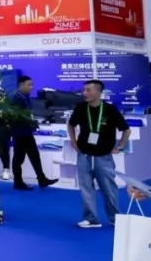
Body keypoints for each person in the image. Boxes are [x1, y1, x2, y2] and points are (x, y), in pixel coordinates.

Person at [68, 79, 130, 228]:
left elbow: (126, 130)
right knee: (86, 188)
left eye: (88, 90)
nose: (85, 93)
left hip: (103, 157)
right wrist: (73, 141)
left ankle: (115, 219)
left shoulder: (110, 110)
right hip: (84, 155)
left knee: (108, 189)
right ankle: (91, 219)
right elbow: (71, 124)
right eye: (84, 90)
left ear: (98, 92)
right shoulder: (81, 108)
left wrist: (121, 146)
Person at [9, 76, 57, 191]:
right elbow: (16, 116)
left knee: (35, 156)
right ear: (21, 85)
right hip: (20, 133)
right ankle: (18, 182)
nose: (31, 87)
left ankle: (41, 179)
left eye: (32, 84)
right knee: (18, 158)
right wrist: (30, 122)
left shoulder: (26, 98)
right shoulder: (16, 98)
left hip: (27, 132)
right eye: (29, 85)